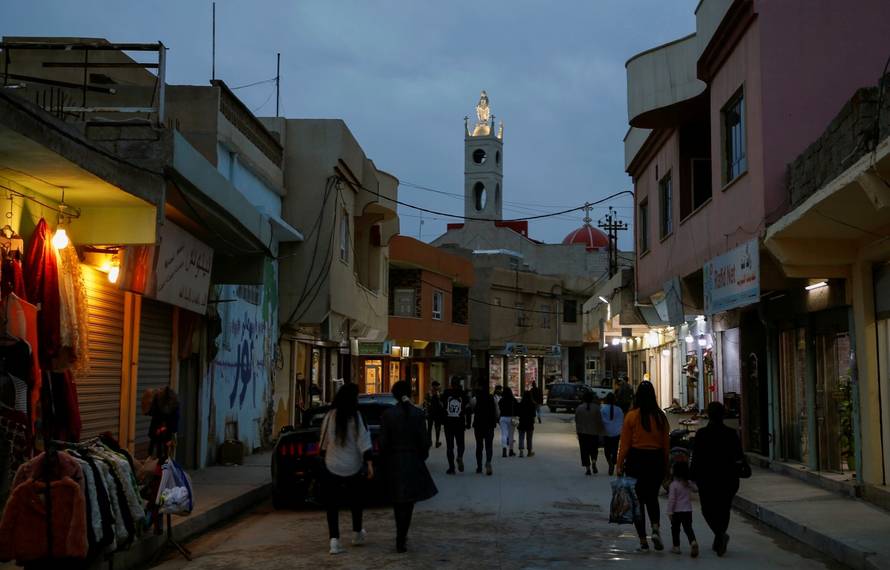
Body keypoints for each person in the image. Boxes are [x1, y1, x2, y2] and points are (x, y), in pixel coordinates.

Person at [380, 380, 438, 553]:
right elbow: (424, 441)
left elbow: (383, 443)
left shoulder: (388, 415)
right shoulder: (417, 414)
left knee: (397, 501)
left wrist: (385, 460)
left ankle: (400, 535)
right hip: (412, 459)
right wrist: (421, 457)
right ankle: (402, 536)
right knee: (409, 502)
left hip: (394, 461)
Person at [318, 383, 373, 555]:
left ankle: (334, 541)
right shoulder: (357, 416)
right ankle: (357, 533)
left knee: (332, 505)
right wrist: (369, 464)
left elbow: (323, 443)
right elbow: (364, 441)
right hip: (353, 466)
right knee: (356, 501)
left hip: (332, 465)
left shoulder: (330, 416)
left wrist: (324, 456)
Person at [616, 381, 670, 552]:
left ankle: (643, 541)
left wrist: (619, 465)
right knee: (652, 497)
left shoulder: (631, 416)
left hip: (636, 460)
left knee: (637, 502)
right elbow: (666, 445)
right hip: (656, 461)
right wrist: (666, 465)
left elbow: (624, 445)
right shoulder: (661, 417)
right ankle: (655, 528)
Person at [690, 401, 745, 557]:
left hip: (707, 478)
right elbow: (739, 455)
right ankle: (720, 536)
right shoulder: (731, 433)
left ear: (708, 415)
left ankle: (719, 535)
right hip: (728, 478)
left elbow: (696, 457)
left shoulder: (702, 434)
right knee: (723, 508)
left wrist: (692, 475)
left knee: (707, 509)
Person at [667, 461, 699, 557]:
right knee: (688, 528)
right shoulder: (688, 483)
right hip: (687, 511)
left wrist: (669, 511)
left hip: (676, 512)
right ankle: (693, 541)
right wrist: (690, 483)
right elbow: (696, 489)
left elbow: (672, 499)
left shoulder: (673, 485)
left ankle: (676, 547)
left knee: (675, 529)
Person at [442, 376, 469, 474]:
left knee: (450, 446)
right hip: (459, 423)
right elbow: (467, 408)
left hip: (448, 423)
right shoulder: (463, 394)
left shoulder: (446, 393)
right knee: (461, 444)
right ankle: (460, 456)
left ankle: (451, 467)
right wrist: (468, 422)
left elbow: (442, 406)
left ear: (451, 384)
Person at [574, 391, 606, 475]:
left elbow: (576, 420)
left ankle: (588, 468)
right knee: (593, 449)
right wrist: (601, 431)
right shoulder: (596, 408)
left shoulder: (579, 408)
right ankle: (594, 462)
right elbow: (599, 421)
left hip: (582, 433)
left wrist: (578, 431)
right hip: (594, 433)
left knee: (584, 451)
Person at [472, 381, 498, 475]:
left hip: (478, 425)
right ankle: (488, 462)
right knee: (489, 446)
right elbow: (497, 411)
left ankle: (479, 467)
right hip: (489, 425)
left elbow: (472, 408)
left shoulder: (475, 398)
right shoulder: (493, 398)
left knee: (479, 446)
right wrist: (496, 419)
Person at [600, 392, 624, 475]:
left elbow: (600, 420)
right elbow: (622, 420)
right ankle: (613, 461)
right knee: (615, 447)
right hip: (616, 432)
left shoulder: (603, 409)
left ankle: (609, 461)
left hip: (606, 432)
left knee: (607, 448)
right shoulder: (619, 410)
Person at [423, 381, 444, 448]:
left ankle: (430, 442)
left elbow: (425, 403)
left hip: (431, 413)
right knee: (436, 428)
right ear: (434, 386)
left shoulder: (429, 393)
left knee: (430, 428)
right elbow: (442, 403)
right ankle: (436, 442)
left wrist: (426, 411)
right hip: (436, 413)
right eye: (437, 385)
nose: (437, 387)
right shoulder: (438, 393)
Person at [498, 387, 518, 457]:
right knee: (511, 435)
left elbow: (499, 408)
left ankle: (504, 450)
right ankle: (511, 450)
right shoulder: (513, 400)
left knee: (504, 434)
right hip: (512, 418)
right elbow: (517, 409)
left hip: (503, 417)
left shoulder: (501, 400)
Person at [517, 390, 537, 458]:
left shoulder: (521, 403)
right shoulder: (533, 404)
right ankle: (529, 452)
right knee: (529, 438)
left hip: (522, 422)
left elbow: (518, 413)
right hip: (530, 422)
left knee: (521, 437)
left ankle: (521, 451)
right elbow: (534, 415)